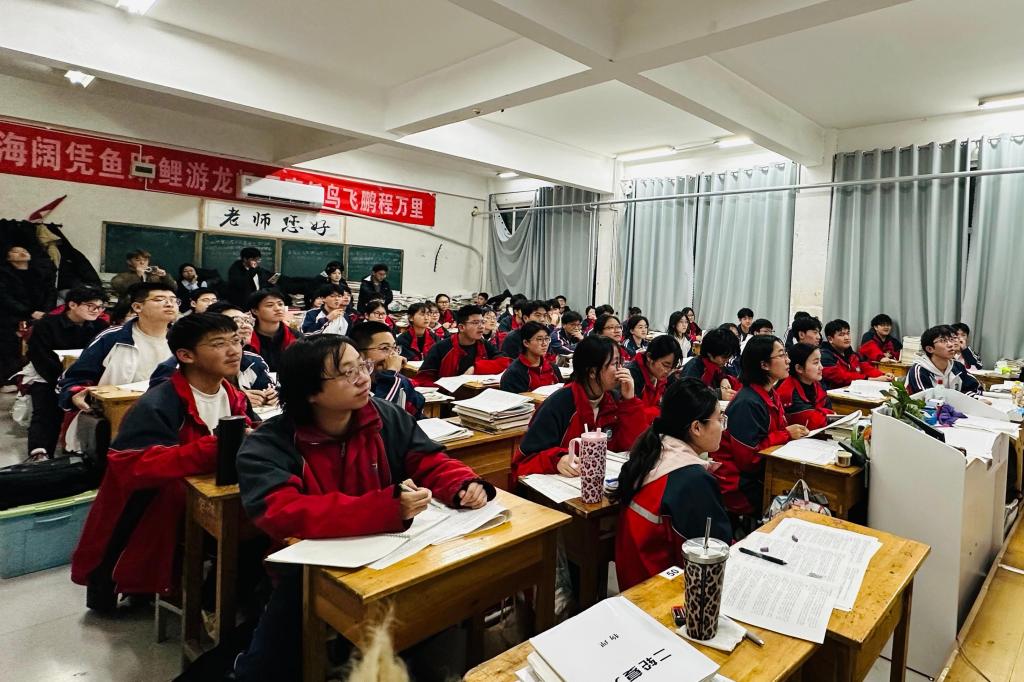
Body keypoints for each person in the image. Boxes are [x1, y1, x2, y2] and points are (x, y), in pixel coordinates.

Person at [233, 334, 494, 679]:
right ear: (309, 391)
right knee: (273, 657)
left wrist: (462, 483)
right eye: (347, 372)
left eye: (362, 365)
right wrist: (385, 509)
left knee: (442, 597)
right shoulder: (270, 444)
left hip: (386, 551)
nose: (363, 378)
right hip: (311, 565)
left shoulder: (383, 416)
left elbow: (427, 458)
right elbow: (284, 512)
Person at [72, 313, 257, 611]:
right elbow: (134, 466)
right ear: (186, 355)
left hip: (215, 494)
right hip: (156, 506)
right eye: (219, 344)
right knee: (252, 530)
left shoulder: (233, 395)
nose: (234, 350)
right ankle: (210, 606)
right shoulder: (159, 402)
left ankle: (220, 602)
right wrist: (216, 447)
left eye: (236, 340)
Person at [612, 379, 731, 590]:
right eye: (719, 419)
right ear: (696, 427)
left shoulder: (654, 450)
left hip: (635, 584)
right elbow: (714, 554)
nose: (723, 427)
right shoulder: (693, 480)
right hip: (665, 594)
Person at [58, 283, 177, 451]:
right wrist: (75, 393)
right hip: (114, 419)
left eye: (174, 300)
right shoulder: (112, 338)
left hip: (168, 420)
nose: (170, 304)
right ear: (137, 307)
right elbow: (73, 379)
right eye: (159, 299)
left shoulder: (186, 340)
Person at [513, 335, 646, 478]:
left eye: (621, 363)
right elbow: (523, 462)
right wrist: (557, 460)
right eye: (615, 364)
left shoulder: (614, 399)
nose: (622, 370)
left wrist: (630, 402)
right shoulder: (560, 404)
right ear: (592, 372)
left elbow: (634, 449)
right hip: (563, 484)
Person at [713, 335, 808, 517]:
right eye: (781, 355)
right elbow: (749, 460)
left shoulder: (770, 393)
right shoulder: (748, 402)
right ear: (764, 365)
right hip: (739, 483)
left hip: (762, 472)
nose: (788, 360)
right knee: (800, 505)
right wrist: (786, 434)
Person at [21, 287, 108, 461]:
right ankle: (39, 452)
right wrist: (63, 381)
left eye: (100, 307)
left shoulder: (101, 327)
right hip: (49, 375)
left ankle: (84, 453)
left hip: (85, 379)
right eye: (90, 306)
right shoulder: (46, 324)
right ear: (72, 305)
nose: (96, 311)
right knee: (46, 410)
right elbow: (39, 356)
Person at [150, 302, 277, 408]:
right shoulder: (170, 375)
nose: (244, 326)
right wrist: (239, 400)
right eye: (219, 344)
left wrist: (272, 396)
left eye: (247, 320)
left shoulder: (252, 361)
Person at [0, 245, 58, 386]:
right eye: (16, 251)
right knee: (10, 347)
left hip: (41, 315)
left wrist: (46, 311)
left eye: (24, 250)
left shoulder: (39, 272)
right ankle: (10, 380)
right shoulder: (4, 274)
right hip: (12, 316)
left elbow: (51, 292)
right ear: (8, 257)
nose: (22, 253)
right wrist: (30, 312)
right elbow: (5, 298)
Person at [413, 305, 506, 386]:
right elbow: (422, 379)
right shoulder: (441, 348)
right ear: (461, 327)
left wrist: (475, 368)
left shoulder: (484, 344)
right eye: (475, 323)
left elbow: (505, 362)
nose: (481, 326)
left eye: (482, 322)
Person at [350, 321, 424, 419]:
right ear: (359, 354)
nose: (393, 355)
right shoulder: (351, 385)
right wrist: (391, 372)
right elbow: (377, 416)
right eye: (385, 348)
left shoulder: (400, 381)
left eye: (394, 348)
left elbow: (416, 414)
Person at [907, 325, 982, 395]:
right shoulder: (919, 371)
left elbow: (976, 388)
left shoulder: (957, 367)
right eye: (943, 340)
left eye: (951, 339)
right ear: (930, 349)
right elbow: (927, 399)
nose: (950, 344)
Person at [777, 343, 834, 430]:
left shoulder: (817, 384)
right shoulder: (788, 392)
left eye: (820, 361)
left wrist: (821, 413)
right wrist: (823, 413)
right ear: (799, 368)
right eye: (816, 363)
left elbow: (832, 414)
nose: (821, 367)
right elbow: (814, 423)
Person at [819, 319, 889, 389]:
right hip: (834, 392)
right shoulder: (824, 355)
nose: (847, 338)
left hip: (853, 389)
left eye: (848, 333)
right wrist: (868, 379)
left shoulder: (852, 354)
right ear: (830, 339)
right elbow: (841, 377)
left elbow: (866, 367)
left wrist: (883, 375)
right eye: (841, 335)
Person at [626, 334, 683, 420]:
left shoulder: (660, 375)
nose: (668, 371)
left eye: (672, 367)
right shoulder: (632, 376)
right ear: (649, 357)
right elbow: (633, 415)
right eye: (665, 365)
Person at [499, 321, 563, 394]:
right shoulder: (514, 373)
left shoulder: (553, 368)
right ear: (526, 343)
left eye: (547, 339)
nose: (544, 344)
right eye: (539, 339)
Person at [679, 328, 741, 400]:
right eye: (724, 357)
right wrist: (718, 394)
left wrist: (725, 379)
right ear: (710, 353)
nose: (727, 361)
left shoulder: (718, 366)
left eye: (729, 357)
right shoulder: (694, 367)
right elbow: (688, 395)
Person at [247, 289, 297, 372]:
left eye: (280, 304)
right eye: (270, 305)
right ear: (255, 311)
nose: (278, 308)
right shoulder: (247, 339)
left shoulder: (295, 336)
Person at [110, 249, 176, 298]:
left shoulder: (155, 276)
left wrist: (165, 276)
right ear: (129, 261)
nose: (142, 262)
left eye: (145, 260)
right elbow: (122, 289)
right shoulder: (121, 277)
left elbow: (173, 288)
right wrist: (139, 277)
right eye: (138, 260)